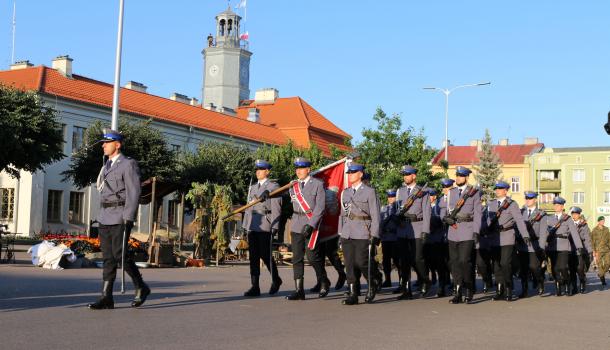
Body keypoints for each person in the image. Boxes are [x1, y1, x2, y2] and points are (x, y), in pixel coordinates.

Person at [88, 129, 149, 310]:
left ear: (118, 144)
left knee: (120, 255)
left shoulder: (128, 164)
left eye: (107, 143)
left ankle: (141, 286)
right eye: (103, 143)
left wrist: (129, 217)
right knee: (108, 257)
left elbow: (134, 191)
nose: (103, 145)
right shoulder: (106, 165)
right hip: (105, 217)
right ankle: (106, 297)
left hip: (120, 216)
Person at [286, 157, 328, 300]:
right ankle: (299, 290)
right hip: (296, 223)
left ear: (308, 170)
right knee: (296, 258)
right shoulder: (293, 185)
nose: (298, 171)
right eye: (296, 169)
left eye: (301, 168)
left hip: (311, 223)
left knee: (312, 257)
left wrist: (311, 225)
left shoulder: (317, 184)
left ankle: (323, 281)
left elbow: (320, 208)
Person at [339, 163, 381, 305]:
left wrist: (375, 235)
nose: (350, 175)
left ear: (360, 174)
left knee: (362, 261)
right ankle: (353, 293)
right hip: (348, 232)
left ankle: (372, 283)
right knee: (349, 264)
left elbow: (375, 215)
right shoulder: (346, 192)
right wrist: (341, 232)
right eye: (349, 173)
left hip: (363, 231)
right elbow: (342, 215)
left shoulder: (369, 192)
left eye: (353, 172)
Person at [242, 160, 282, 297]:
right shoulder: (252, 187)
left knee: (266, 256)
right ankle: (255, 286)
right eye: (257, 169)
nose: (258, 171)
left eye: (261, 169)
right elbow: (248, 209)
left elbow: (276, 207)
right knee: (253, 257)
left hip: (265, 224)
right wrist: (245, 225)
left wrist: (275, 225)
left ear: (267, 171)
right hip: (253, 225)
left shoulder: (273, 185)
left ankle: (276, 279)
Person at [484, 181, 530, 302]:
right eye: (496, 189)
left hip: (507, 236)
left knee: (505, 263)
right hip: (494, 238)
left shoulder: (512, 204)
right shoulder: (491, 203)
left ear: (505, 190)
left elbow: (519, 220)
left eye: (500, 189)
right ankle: (500, 290)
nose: (497, 191)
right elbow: (487, 220)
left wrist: (525, 235)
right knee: (497, 265)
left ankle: (509, 288)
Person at [443, 166, 482, 304]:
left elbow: (478, 213)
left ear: (466, 177)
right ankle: (457, 291)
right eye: (457, 175)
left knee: (464, 261)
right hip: (453, 231)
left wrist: (476, 231)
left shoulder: (474, 192)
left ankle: (469, 288)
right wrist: (446, 218)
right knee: (454, 263)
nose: (457, 178)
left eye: (460, 176)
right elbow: (446, 209)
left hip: (467, 230)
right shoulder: (452, 192)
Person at [395, 165, 431, 299]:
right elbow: (396, 209)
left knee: (417, 259)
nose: (405, 177)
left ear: (414, 176)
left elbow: (427, 212)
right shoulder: (400, 191)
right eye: (404, 174)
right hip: (403, 229)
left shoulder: (423, 192)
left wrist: (425, 231)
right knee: (404, 261)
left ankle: (425, 280)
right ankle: (406, 290)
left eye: (407, 174)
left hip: (417, 228)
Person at [545, 197, 583, 296]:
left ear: (562, 207)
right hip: (552, 246)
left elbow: (574, 233)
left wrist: (579, 246)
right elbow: (545, 233)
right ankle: (558, 284)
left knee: (563, 267)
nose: (555, 207)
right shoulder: (549, 218)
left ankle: (567, 282)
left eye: (558, 205)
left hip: (564, 246)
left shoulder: (567, 219)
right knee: (555, 269)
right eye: (554, 205)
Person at [516, 191, 547, 297]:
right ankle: (524, 290)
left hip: (535, 245)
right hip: (522, 245)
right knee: (523, 269)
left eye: (530, 198)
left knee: (534, 267)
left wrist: (541, 247)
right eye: (526, 198)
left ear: (535, 200)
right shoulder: (520, 212)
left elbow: (543, 232)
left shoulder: (541, 214)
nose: (527, 200)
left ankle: (540, 280)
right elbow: (516, 227)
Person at [427, 187, 450, 297]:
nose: (429, 198)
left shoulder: (439, 206)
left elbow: (442, 220)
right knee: (431, 262)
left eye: (430, 195)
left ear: (435, 196)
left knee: (441, 263)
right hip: (428, 239)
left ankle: (442, 286)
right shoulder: (425, 207)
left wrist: (432, 221)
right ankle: (432, 279)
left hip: (439, 238)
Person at [569, 207, 592, 294]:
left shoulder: (584, 225)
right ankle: (574, 287)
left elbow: (586, 238)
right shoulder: (569, 223)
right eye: (573, 214)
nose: (574, 215)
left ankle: (582, 282)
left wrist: (589, 250)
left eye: (576, 214)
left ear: (579, 215)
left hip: (580, 249)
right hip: (570, 249)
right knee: (572, 270)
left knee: (580, 269)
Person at [380, 189, 400, 288]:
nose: (391, 199)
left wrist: (393, 216)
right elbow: (380, 221)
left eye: (392, 196)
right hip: (386, 238)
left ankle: (402, 280)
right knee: (386, 261)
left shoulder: (399, 209)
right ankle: (387, 280)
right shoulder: (384, 208)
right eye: (389, 197)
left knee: (397, 260)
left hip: (395, 238)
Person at [590, 216, 610, 288]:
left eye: (603, 221)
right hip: (598, 250)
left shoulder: (606, 229)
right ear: (598, 221)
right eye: (601, 221)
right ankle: (603, 280)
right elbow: (592, 241)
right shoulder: (594, 230)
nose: (603, 222)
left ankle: (601, 274)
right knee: (600, 266)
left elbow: (609, 239)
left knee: (608, 263)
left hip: (606, 249)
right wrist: (593, 251)